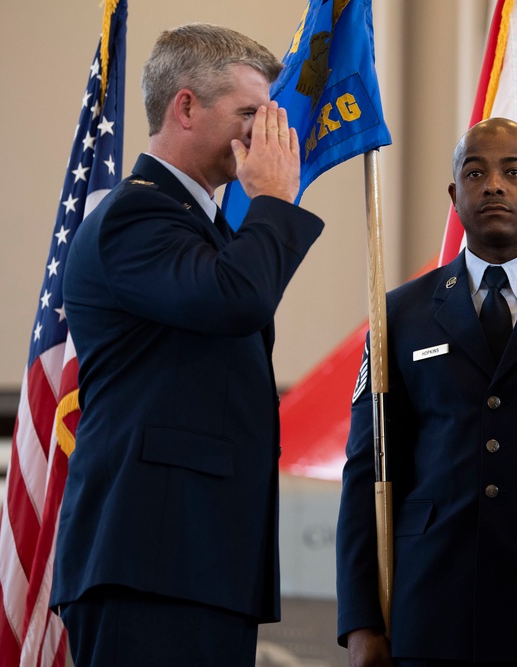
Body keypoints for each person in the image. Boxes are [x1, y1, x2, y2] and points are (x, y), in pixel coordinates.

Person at [50, 24, 324, 666]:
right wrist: (274, 202)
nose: (264, 135)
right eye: (250, 114)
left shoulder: (195, 223)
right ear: (186, 106)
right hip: (151, 560)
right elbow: (234, 299)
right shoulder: (134, 216)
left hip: (199, 560)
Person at [336, 118, 517, 667]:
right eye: (475, 172)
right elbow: (366, 470)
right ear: (454, 194)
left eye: (513, 172)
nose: (493, 184)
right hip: (432, 608)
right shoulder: (398, 312)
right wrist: (360, 621)